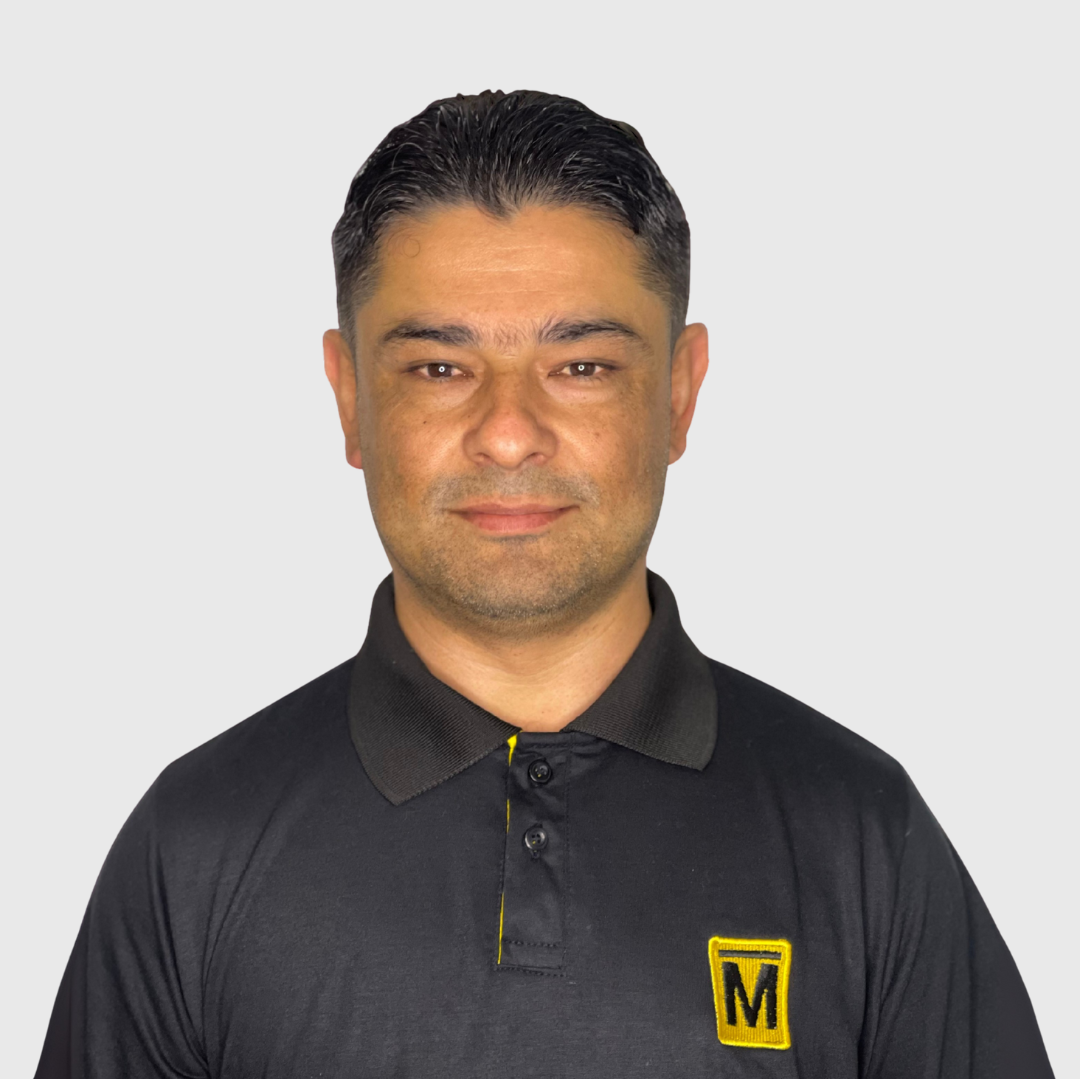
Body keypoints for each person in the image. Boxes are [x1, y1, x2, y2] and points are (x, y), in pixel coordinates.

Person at [35, 89, 1053, 1079]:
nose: (510, 433)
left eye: (582, 368)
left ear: (679, 392)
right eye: (439, 369)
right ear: (349, 399)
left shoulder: (863, 838)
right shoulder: (193, 850)